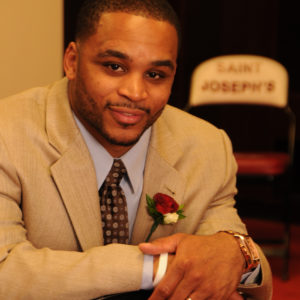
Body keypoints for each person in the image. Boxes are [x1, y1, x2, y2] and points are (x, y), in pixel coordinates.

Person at [0, 0, 272, 299]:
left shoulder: (207, 146)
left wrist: (238, 257)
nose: (135, 92)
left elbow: (247, 271)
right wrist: (157, 268)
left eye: (155, 74)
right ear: (72, 61)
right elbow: (5, 271)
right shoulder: (8, 133)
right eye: (114, 67)